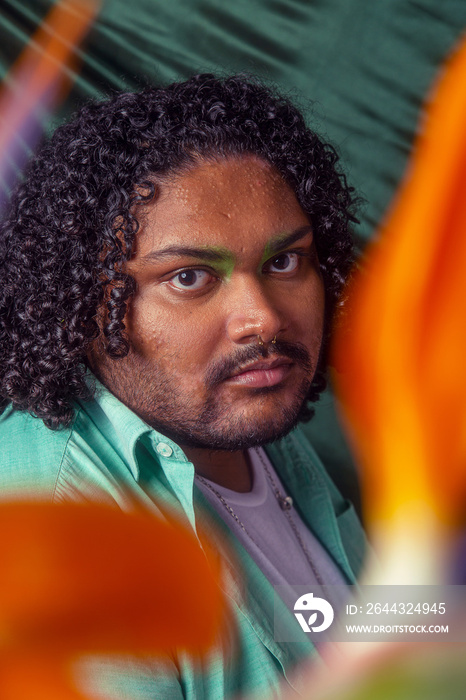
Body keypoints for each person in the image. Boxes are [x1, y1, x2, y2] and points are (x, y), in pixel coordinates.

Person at [0, 74, 366, 698]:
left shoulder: (240, 405)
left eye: (283, 262)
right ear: (83, 303)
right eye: (190, 277)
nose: (265, 319)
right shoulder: (61, 535)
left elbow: (327, 609)